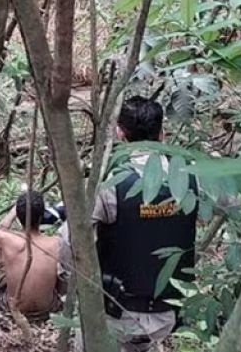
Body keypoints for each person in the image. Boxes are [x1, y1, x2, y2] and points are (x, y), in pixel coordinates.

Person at [64, 94, 197, 352]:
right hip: (167, 315)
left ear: (119, 133)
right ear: (162, 134)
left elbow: (71, 242)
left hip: (114, 313)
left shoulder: (111, 183)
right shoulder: (190, 180)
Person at [0, 189, 65, 320]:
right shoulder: (56, 243)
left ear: (19, 215)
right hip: (48, 308)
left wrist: (12, 213)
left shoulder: (8, 240)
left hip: (13, 306)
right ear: (41, 217)